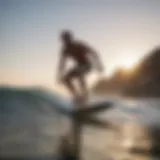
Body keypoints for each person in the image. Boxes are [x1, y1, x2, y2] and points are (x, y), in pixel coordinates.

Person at [57, 30, 104, 103]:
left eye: (68, 39)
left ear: (71, 38)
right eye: (64, 40)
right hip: (78, 66)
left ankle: (85, 96)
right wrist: (59, 75)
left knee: (79, 73)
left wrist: (98, 64)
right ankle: (76, 96)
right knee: (65, 79)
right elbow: (62, 64)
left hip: (87, 65)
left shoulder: (79, 45)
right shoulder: (65, 50)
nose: (66, 41)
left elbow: (93, 52)